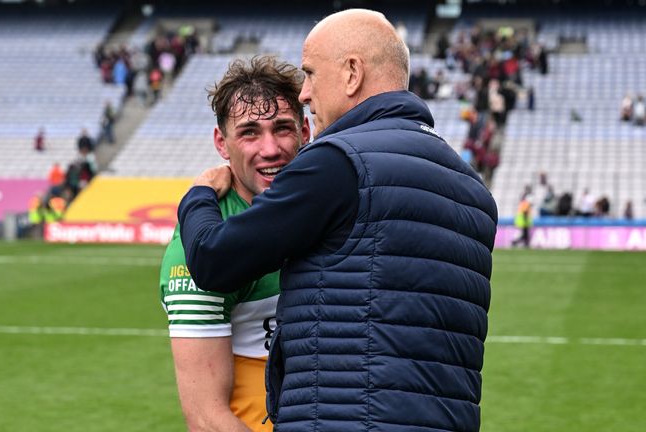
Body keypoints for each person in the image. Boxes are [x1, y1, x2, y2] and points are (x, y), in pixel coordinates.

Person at [179, 9, 497, 432]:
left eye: (310, 74)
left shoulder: (339, 162)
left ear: (351, 73)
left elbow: (212, 260)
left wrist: (198, 196)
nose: (306, 93)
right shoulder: (472, 187)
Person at [161, 56, 310, 432]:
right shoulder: (196, 248)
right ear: (221, 143)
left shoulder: (326, 202)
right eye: (249, 133)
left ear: (306, 131)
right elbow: (207, 418)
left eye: (283, 128)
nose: (270, 148)